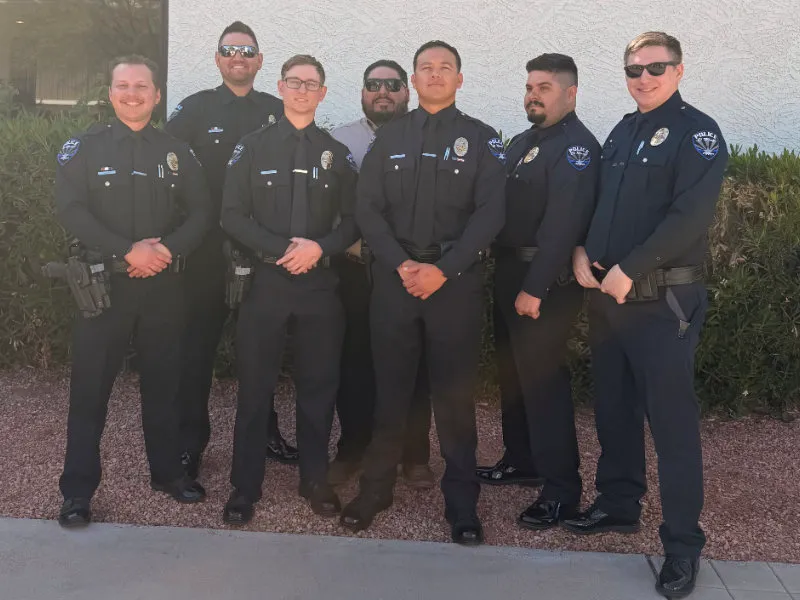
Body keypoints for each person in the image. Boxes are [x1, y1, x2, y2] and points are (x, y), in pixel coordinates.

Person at [564, 32, 728, 599]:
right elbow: (600, 204)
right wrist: (582, 250)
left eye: (656, 67)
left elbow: (689, 217)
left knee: (672, 424)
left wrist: (630, 268)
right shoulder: (622, 131)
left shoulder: (697, 133)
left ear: (679, 70)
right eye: (634, 69)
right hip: (610, 299)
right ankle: (618, 503)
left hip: (663, 302)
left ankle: (682, 545)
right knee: (614, 408)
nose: (644, 78)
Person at [341, 40, 506, 546]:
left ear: (459, 79)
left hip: (454, 285)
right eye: (425, 68)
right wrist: (401, 263)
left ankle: (462, 504)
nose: (435, 74)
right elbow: (367, 208)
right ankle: (376, 489)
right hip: (396, 281)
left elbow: (491, 214)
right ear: (413, 80)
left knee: (454, 398)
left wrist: (444, 270)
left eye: (445, 67)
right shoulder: (390, 137)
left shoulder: (481, 138)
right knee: (390, 392)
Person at [54, 55, 210, 527]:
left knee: (165, 384)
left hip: (163, 286)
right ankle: (77, 491)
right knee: (90, 391)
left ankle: (168, 473)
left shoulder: (176, 152)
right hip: (102, 288)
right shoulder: (84, 148)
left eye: (141, 86)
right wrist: (127, 251)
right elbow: (72, 210)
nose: (132, 94)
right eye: (123, 85)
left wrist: (164, 251)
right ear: (110, 94)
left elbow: (203, 212)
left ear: (157, 95)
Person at [220, 54, 358, 525]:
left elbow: (354, 220)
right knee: (254, 389)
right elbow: (231, 215)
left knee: (319, 387)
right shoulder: (252, 147)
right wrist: (283, 249)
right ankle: (245, 487)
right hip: (267, 282)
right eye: (294, 82)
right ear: (279, 87)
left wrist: (319, 248)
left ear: (323, 93)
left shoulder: (336, 154)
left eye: (311, 84)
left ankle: (315, 480)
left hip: (319, 285)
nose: (302, 90)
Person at [165, 21, 296, 481]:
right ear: (217, 59)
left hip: (261, 250)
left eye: (246, 50)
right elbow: (168, 168)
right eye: (229, 49)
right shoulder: (194, 109)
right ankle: (188, 443)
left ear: (259, 61)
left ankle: (265, 433)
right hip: (205, 252)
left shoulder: (278, 110)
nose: (238, 57)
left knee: (262, 350)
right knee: (195, 350)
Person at [492, 54, 599, 530]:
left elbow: (563, 226)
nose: (533, 95)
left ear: (570, 94)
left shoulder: (576, 149)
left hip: (544, 281)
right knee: (513, 375)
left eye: (545, 88)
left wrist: (534, 288)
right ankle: (522, 460)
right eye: (530, 86)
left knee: (542, 385)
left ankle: (561, 492)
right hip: (509, 271)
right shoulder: (523, 142)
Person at [328, 59, 433, 489]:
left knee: (414, 362)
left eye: (392, 84)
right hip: (354, 269)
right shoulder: (339, 141)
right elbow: (325, 203)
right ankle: (353, 448)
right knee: (353, 361)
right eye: (374, 85)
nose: (383, 92)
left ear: (407, 91)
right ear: (362, 93)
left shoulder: (427, 136)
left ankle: (414, 454)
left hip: (407, 271)